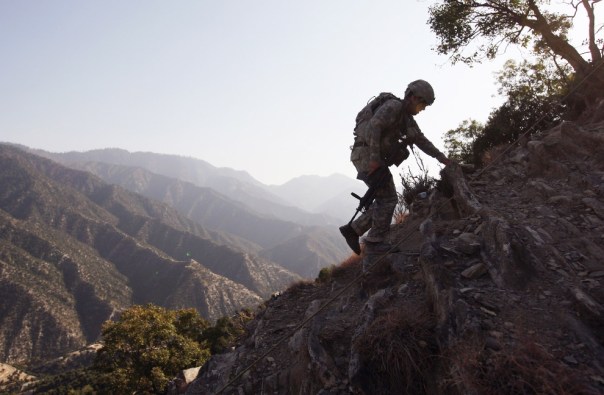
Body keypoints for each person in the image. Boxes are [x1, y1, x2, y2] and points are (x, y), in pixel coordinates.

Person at [340, 79, 451, 254]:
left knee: (384, 197)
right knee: (388, 198)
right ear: (414, 98)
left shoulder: (406, 119)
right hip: (367, 155)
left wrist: (441, 157)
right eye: (423, 104)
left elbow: (420, 139)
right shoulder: (394, 107)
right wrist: (375, 160)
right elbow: (374, 126)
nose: (422, 109)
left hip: (367, 155)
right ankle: (375, 242)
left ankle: (353, 230)